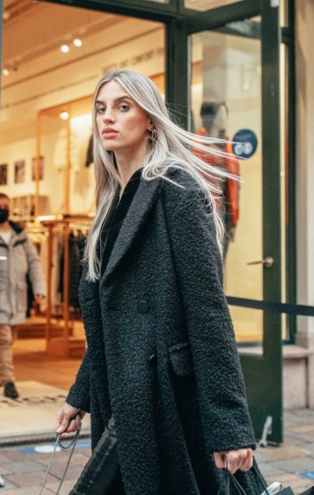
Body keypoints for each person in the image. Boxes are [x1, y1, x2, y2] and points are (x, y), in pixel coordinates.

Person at [54, 70, 262, 494]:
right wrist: (81, 394)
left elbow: (208, 311)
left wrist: (230, 424)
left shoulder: (178, 188)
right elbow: (112, 321)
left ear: (150, 118)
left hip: (168, 400)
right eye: (100, 108)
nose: (107, 118)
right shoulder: (112, 201)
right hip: (124, 394)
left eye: (122, 106)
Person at [0, 193, 46, 399]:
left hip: (18, 298)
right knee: (3, 339)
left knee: (9, 338)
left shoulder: (21, 236)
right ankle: (9, 381)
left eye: (5, 206)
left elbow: (34, 263)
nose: (2, 209)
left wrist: (39, 287)